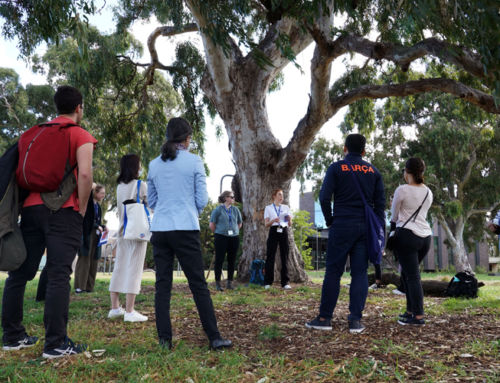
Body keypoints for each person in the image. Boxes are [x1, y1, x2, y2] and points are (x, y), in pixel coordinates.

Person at [2, 85, 96, 358]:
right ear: (79, 107)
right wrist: (82, 208)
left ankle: (12, 336)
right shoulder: (80, 135)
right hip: (63, 211)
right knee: (58, 274)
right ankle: (55, 343)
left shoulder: (33, 133)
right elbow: (86, 176)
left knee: (19, 273)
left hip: (30, 209)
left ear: (57, 106)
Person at [147, 117, 232, 350]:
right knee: (198, 284)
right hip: (185, 226)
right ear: (187, 138)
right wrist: (190, 210)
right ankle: (214, 337)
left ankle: (164, 340)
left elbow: (151, 200)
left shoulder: (154, 164)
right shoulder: (194, 162)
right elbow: (202, 199)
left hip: (161, 228)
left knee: (162, 285)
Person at [305, 133, 385, 334]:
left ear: (344, 148)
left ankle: (324, 318)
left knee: (333, 271)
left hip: (341, 224)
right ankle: (355, 320)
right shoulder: (373, 171)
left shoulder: (336, 167)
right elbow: (380, 207)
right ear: (364, 151)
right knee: (359, 273)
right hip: (364, 228)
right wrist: (379, 233)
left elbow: (324, 198)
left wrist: (330, 220)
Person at [391, 158, 433, 326]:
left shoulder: (402, 190)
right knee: (408, 275)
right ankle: (410, 311)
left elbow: (394, 216)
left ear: (406, 172)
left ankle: (418, 316)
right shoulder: (429, 192)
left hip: (407, 236)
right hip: (426, 237)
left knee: (413, 276)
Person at [107, 154, 149, 322]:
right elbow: (150, 204)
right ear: (135, 167)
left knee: (120, 267)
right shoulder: (141, 185)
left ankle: (115, 308)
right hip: (137, 231)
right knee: (135, 269)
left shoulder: (119, 187)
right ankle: (130, 311)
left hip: (123, 231)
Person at [74, 183, 107, 293]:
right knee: (84, 259)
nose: (103, 195)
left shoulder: (98, 206)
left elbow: (97, 221)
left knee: (94, 260)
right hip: (87, 234)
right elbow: (87, 220)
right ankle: (79, 286)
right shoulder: (87, 203)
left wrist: (102, 226)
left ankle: (89, 287)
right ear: (95, 193)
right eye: (102, 193)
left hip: (96, 235)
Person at [209, 190, 243, 291]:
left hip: (234, 237)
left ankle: (229, 283)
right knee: (219, 260)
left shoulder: (236, 210)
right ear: (226, 198)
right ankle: (218, 283)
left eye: (233, 197)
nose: (233, 199)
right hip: (221, 237)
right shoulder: (218, 210)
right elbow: (212, 225)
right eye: (231, 197)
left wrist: (234, 231)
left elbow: (239, 223)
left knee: (231, 260)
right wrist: (220, 232)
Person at [263, 189, 293, 290]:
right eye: (279, 195)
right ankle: (268, 282)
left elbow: (290, 224)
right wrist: (273, 220)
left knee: (285, 255)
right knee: (270, 256)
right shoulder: (268, 208)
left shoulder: (286, 208)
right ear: (274, 196)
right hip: (274, 230)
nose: (281, 197)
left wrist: (289, 220)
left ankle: (285, 282)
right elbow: (266, 224)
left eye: (282, 195)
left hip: (283, 230)